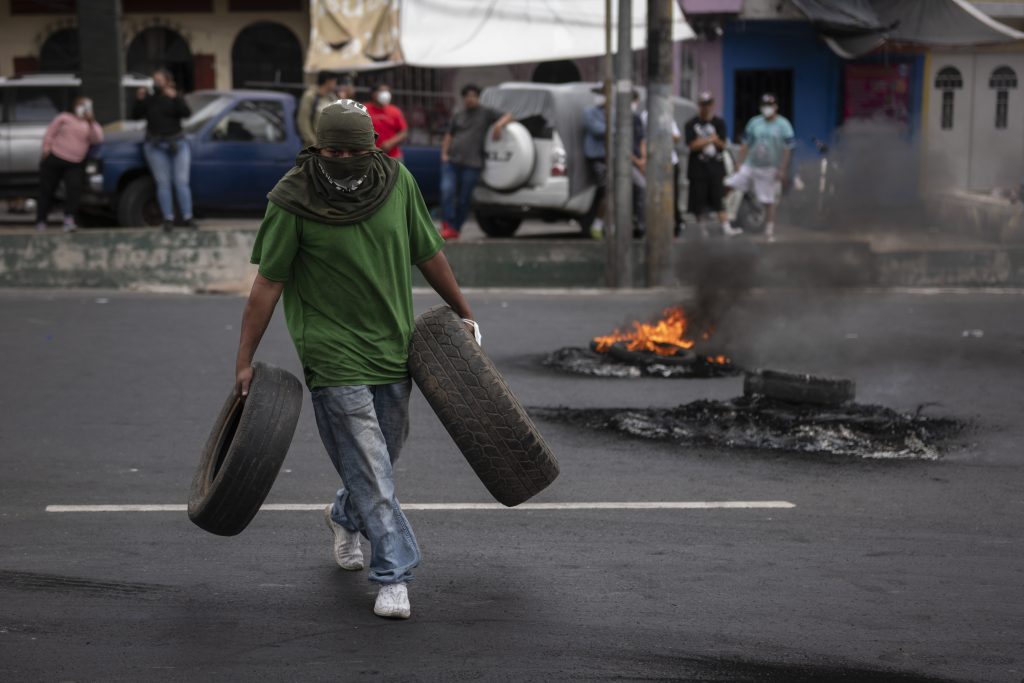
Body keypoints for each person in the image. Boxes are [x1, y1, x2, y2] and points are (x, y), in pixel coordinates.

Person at [235, 100, 476, 620]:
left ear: (375, 148)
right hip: (330, 349)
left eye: (355, 149)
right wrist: (244, 359)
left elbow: (428, 252)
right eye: (333, 149)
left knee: (381, 458)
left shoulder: (398, 183)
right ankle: (394, 573)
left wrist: (463, 312)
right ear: (317, 147)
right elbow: (268, 283)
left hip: (392, 343)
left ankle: (344, 514)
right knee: (369, 461)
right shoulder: (293, 197)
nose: (344, 157)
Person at [439, 84, 513, 240]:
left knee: (464, 198)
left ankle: (455, 228)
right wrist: (444, 153)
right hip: (452, 161)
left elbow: (509, 115)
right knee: (447, 191)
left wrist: (499, 125)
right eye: (467, 96)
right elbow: (449, 135)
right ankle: (447, 224)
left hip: (473, 163)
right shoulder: (458, 115)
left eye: (473, 96)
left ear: (478, 97)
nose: (470, 99)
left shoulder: (486, 113)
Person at [133, 69, 196, 232]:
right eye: (154, 80)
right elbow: (135, 115)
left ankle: (188, 217)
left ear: (168, 82)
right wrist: (140, 100)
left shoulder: (175, 97)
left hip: (177, 143)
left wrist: (175, 98)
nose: (156, 83)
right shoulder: (150, 99)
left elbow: (187, 113)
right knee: (163, 183)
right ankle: (168, 218)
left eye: (160, 80)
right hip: (156, 145)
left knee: (181, 182)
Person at [725, 93, 795, 239]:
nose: (766, 109)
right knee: (730, 185)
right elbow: (745, 143)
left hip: (770, 167)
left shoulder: (784, 125)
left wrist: (782, 169)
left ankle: (769, 228)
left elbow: (788, 149)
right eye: (764, 105)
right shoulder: (754, 122)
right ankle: (724, 219)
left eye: (769, 105)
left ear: (775, 107)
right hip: (751, 165)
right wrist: (739, 162)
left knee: (769, 200)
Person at [36, 96, 103, 232]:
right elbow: (50, 133)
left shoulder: (90, 124)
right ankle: (41, 221)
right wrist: (46, 150)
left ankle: (68, 219)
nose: (82, 108)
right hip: (55, 158)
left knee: (74, 190)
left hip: (75, 162)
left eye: (85, 106)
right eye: (80, 105)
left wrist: (92, 121)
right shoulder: (64, 118)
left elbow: (98, 139)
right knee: (47, 190)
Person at [684, 91, 740, 238]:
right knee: (698, 201)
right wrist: (710, 139)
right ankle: (702, 230)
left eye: (708, 104)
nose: (706, 108)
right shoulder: (691, 124)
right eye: (703, 104)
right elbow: (692, 145)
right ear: (699, 105)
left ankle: (726, 227)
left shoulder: (719, 123)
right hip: (697, 169)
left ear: (712, 105)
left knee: (719, 199)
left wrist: (708, 141)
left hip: (715, 169)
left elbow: (722, 144)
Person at [640, 104, 685, 237]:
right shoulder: (645, 116)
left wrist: (665, 133)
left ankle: (675, 226)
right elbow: (643, 139)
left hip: (671, 162)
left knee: (673, 195)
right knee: (654, 195)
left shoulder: (668, 117)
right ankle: (654, 227)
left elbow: (676, 137)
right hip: (654, 162)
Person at [365, 84, 408, 161]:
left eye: (387, 91)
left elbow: (404, 132)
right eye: (381, 91)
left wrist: (390, 143)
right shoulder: (364, 109)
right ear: (373, 94)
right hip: (371, 156)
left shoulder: (395, 111)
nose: (385, 94)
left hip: (393, 157)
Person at [297, 71, 339, 148]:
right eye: (334, 81)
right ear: (328, 81)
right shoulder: (310, 96)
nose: (335, 84)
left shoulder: (331, 97)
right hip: (314, 147)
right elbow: (303, 121)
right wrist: (313, 142)